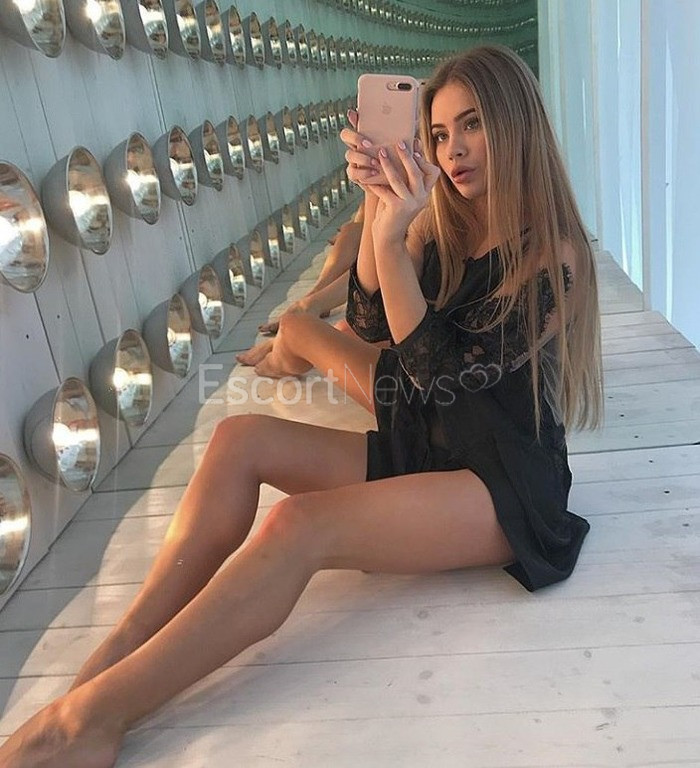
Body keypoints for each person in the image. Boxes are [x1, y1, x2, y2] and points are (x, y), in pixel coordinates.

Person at [0, 44, 603, 767]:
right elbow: (371, 322)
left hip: (501, 484)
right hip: (431, 443)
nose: (453, 151)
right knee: (239, 439)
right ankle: (117, 656)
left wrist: (391, 239)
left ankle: (89, 722)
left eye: (472, 125)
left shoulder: (554, 256)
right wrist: (379, 206)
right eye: (440, 133)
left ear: (516, 123)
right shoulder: (447, 226)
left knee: (297, 527)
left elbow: (438, 375)